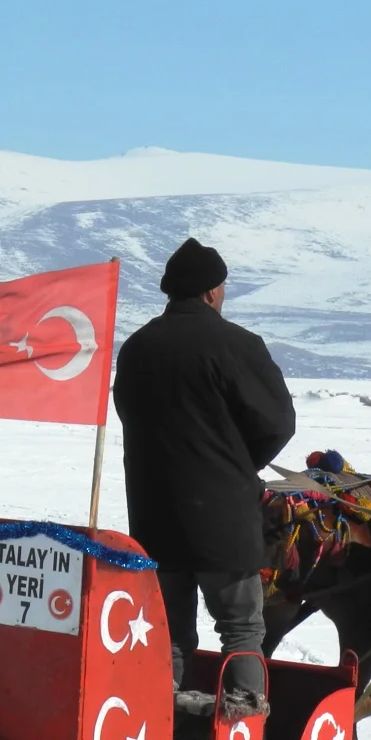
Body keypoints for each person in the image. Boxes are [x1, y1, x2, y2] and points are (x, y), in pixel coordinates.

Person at [113, 237, 295, 710]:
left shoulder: (136, 348)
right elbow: (277, 422)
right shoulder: (236, 344)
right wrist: (237, 463)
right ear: (213, 292)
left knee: (168, 633)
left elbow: (128, 415)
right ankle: (242, 738)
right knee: (241, 630)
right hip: (224, 522)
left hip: (155, 518)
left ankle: (158, 735)